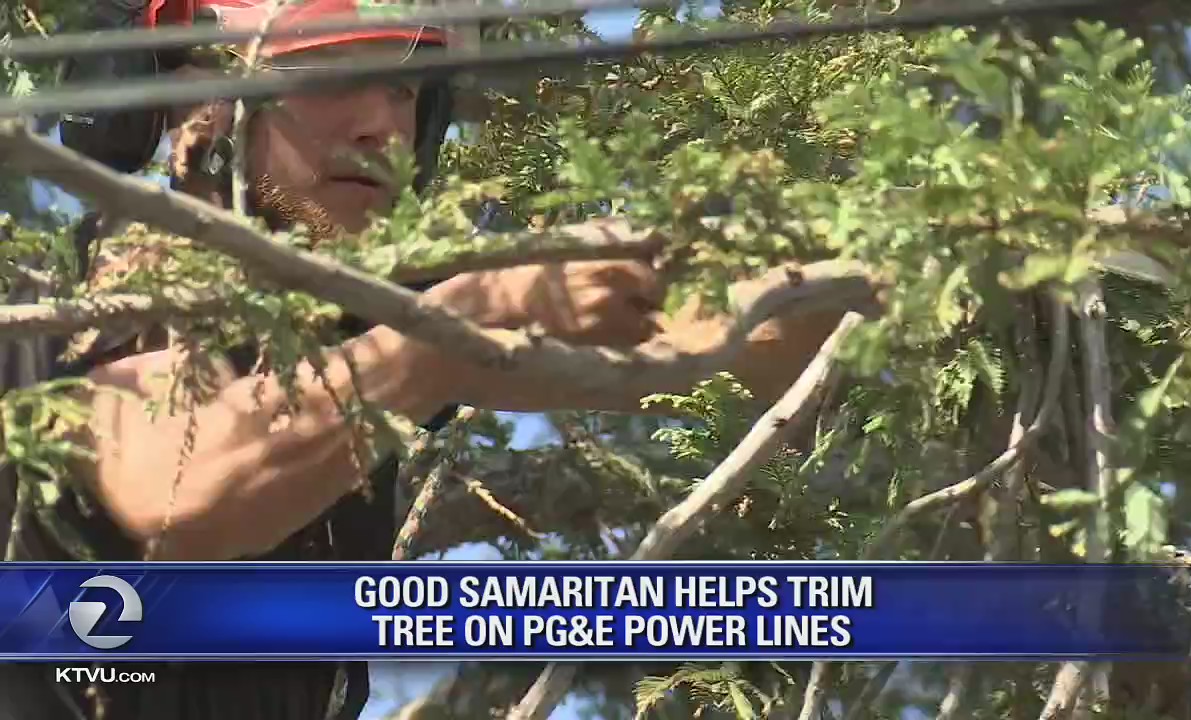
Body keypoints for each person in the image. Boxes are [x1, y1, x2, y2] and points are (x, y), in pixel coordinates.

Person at [0, 1, 853, 718]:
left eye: (407, 87)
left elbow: (733, 343)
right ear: (198, 104)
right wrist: (461, 325)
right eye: (334, 76)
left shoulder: (360, 315)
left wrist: (864, 270)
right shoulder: (99, 291)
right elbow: (183, 494)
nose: (384, 126)